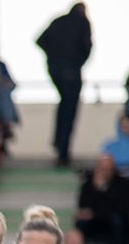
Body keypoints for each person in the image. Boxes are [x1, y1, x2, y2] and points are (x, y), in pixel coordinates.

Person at [38, 3, 92, 168]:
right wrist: (75, 62)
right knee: (68, 111)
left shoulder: (59, 21)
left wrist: (54, 59)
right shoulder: (82, 23)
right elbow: (88, 47)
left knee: (64, 107)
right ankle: (62, 151)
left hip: (57, 71)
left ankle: (59, 144)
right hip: (70, 72)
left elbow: (41, 40)